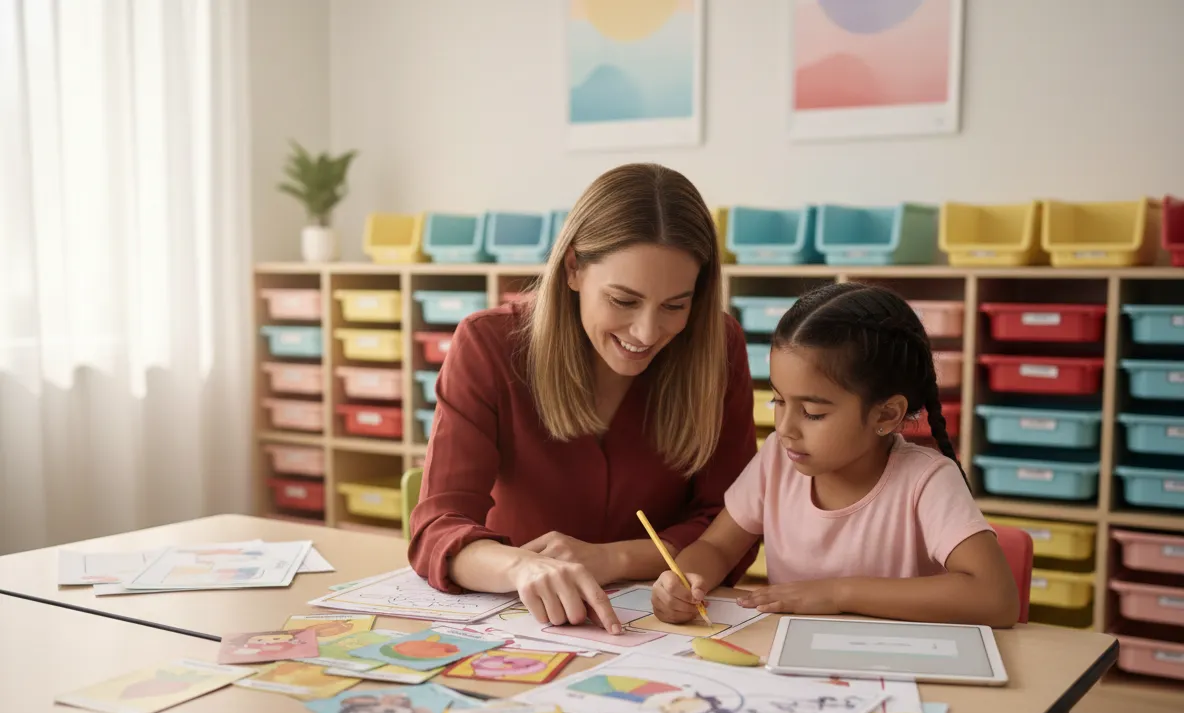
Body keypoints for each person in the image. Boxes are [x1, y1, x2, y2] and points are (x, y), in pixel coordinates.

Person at [408, 163, 758, 633]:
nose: (647, 332)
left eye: (675, 305)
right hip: (527, 623)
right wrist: (521, 568)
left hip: (664, 629)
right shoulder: (488, 344)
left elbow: (730, 521)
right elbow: (439, 525)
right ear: (573, 268)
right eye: (623, 300)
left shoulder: (718, 346)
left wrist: (611, 559)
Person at [651, 281, 1020, 628]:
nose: (784, 428)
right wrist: (685, 579)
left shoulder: (927, 480)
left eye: (813, 412)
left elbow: (996, 598)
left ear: (886, 414)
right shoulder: (777, 462)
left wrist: (838, 593)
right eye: (779, 401)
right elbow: (716, 546)